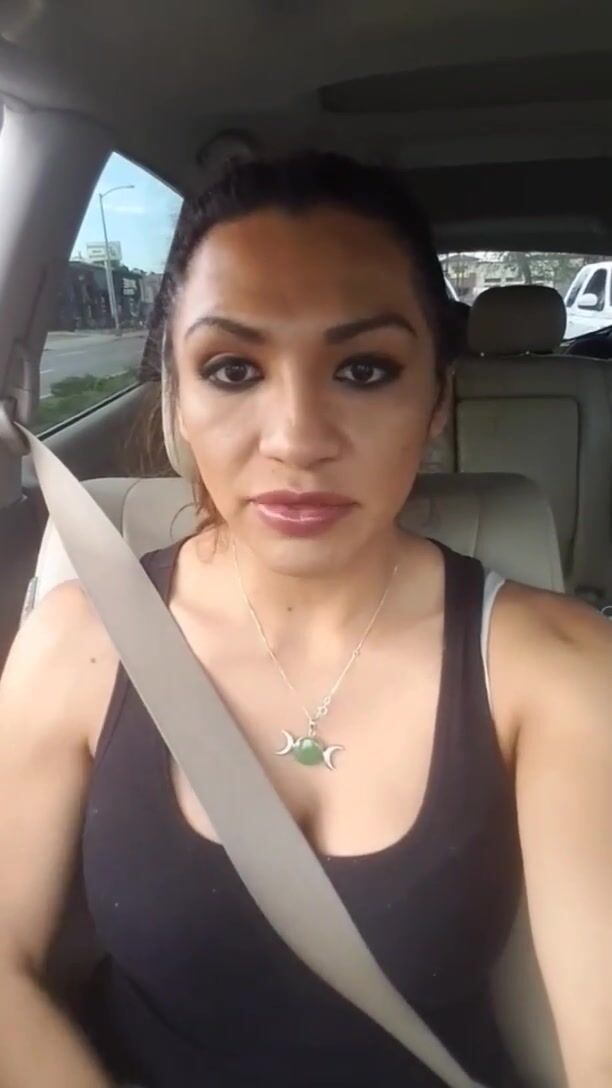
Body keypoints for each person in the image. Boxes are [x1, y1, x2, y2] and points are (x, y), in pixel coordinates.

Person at [0, 152, 610, 1088]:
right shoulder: (77, 643)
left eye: (364, 369)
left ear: (437, 402)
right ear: (178, 402)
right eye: (233, 368)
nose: (296, 439)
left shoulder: (561, 667)